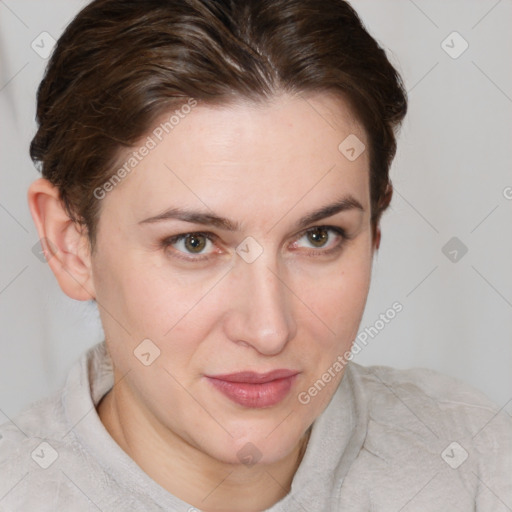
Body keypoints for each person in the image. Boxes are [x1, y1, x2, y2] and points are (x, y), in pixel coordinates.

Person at [0, 0, 510, 510]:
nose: (269, 330)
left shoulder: (477, 464)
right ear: (71, 246)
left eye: (318, 236)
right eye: (193, 243)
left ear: (375, 230)